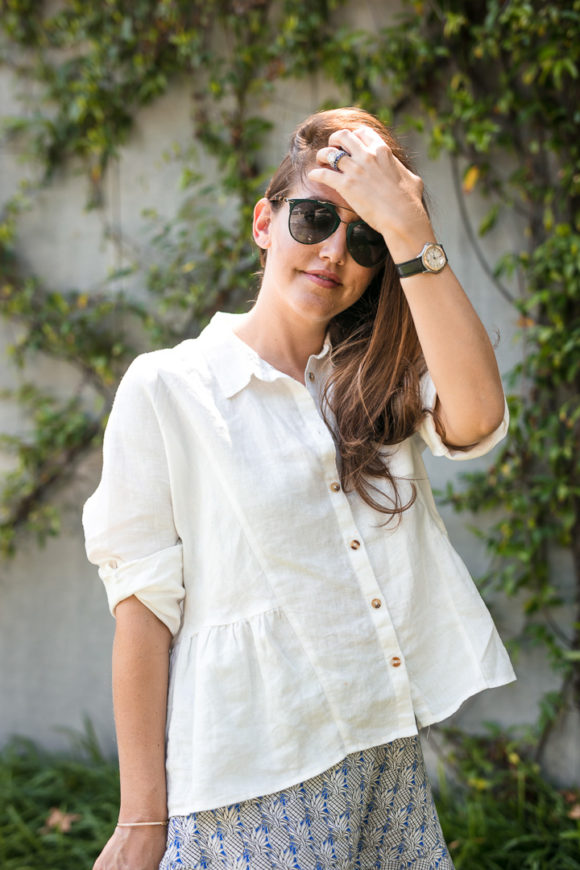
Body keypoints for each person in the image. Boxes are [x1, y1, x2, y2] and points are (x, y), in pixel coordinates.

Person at [83, 106, 516, 870]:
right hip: (255, 775)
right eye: (314, 218)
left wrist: (411, 228)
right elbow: (144, 611)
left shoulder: (370, 387)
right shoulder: (170, 388)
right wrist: (142, 821)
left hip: (384, 755)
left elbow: (477, 417)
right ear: (264, 223)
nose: (333, 253)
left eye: (366, 239)